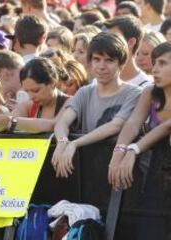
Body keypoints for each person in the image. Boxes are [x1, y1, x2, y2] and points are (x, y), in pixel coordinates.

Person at [51, 32, 142, 178]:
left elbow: (115, 125)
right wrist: (62, 141)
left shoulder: (135, 93)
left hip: (118, 172)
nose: (101, 66)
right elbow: (62, 122)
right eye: (97, 59)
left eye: (109, 60)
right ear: (90, 62)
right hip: (87, 172)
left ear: (121, 63)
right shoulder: (84, 92)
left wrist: (74, 144)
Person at [109, 42, 171, 189]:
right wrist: (119, 151)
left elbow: (167, 127)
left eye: (162, 63)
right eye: (155, 63)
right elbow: (133, 123)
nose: (155, 69)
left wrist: (133, 150)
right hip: (156, 172)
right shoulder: (150, 92)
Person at [0, 57, 69, 134]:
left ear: (52, 83)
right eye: (27, 91)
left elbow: (53, 125)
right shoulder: (28, 106)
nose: (31, 96)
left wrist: (11, 121)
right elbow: (7, 121)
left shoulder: (70, 102)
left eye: (36, 90)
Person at [106, 15, 153, 88]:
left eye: (114, 38)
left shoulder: (147, 87)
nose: (108, 43)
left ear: (130, 43)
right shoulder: (98, 81)